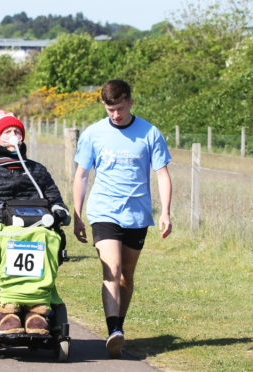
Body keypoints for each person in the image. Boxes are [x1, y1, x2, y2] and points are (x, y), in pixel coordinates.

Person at [72, 79, 172, 358]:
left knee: (127, 275)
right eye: (109, 109)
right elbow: (82, 175)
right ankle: (113, 328)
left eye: (119, 108)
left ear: (130, 101)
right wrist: (77, 215)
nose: (115, 114)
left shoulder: (150, 133)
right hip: (104, 211)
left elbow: (162, 174)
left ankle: (118, 328)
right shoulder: (94, 134)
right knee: (112, 270)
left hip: (137, 215)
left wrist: (165, 211)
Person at [0, 110, 71, 335]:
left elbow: (52, 196)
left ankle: (36, 311)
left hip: (35, 227)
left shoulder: (36, 170)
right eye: (7, 132)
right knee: (4, 242)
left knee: (49, 239)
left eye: (16, 132)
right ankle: (8, 309)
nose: (13, 135)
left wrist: (59, 210)